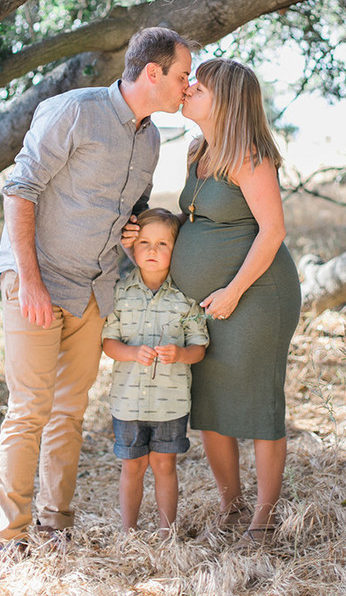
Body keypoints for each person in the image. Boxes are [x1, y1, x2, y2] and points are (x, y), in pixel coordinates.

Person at [0, 27, 194, 553]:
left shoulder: (151, 139)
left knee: (69, 412)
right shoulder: (74, 110)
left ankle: (56, 524)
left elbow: (129, 208)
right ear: (153, 73)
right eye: (182, 75)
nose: (186, 86)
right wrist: (29, 282)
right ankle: (9, 537)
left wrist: (133, 234)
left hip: (93, 290)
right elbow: (20, 189)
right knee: (29, 407)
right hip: (38, 281)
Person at [170, 58, 301, 547]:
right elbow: (198, 218)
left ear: (225, 100)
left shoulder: (248, 154)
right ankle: (232, 506)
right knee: (210, 403)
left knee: (260, 403)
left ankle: (263, 520)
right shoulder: (196, 151)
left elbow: (273, 231)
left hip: (257, 295)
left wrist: (233, 291)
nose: (188, 88)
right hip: (208, 303)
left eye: (199, 84)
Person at [102, 208, 209, 537]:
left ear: (177, 250)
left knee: (165, 465)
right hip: (128, 403)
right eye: (145, 242)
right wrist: (133, 352)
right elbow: (108, 343)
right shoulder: (120, 293)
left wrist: (180, 354)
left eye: (163, 243)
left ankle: (166, 531)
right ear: (132, 247)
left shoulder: (185, 298)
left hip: (170, 404)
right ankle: (128, 532)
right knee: (132, 466)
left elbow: (199, 348)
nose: (152, 250)